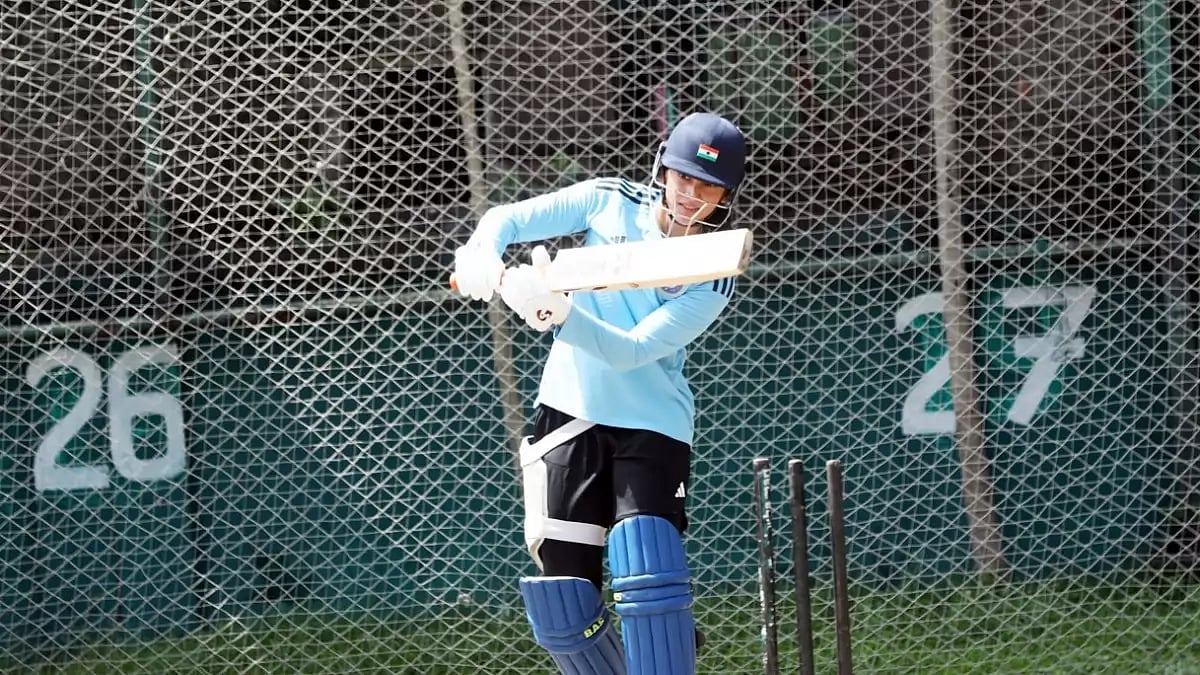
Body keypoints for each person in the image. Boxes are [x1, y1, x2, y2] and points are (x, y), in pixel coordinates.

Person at [453, 112, 748, 675]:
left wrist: (556, 313)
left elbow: (634, 350)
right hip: (569, 413)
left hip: (651, 425)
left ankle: (665, 649)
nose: (690, 195)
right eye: (682, 177)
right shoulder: (608, 201)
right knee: (564, 605)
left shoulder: (714, 269)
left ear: (725, 193)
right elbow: (504, 219)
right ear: (662, 167)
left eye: (707, 185)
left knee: (647, 568)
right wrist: (480, 255)